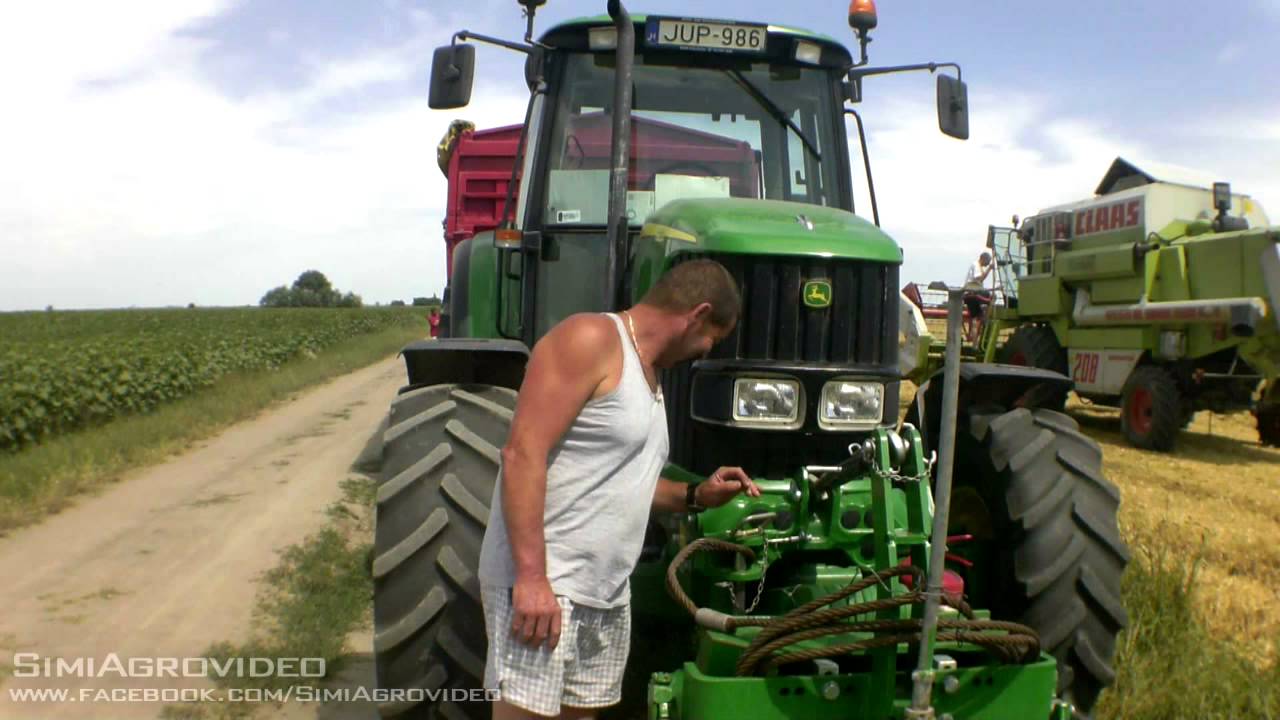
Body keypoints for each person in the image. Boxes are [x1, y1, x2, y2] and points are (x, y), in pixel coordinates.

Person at [478, 259, 758, 720]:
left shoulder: (651, 378)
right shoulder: (592, 339)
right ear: (698, 314)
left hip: (604, 592)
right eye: (712, 339)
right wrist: (531, 579)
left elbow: (624, 485)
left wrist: (696, 496)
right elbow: (522, 454)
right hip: (549, 586)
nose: (704, 352)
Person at [963, 251, 994, 343]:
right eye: (988, 262)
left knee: (975, 318)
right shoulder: (976, 265)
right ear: (983, 259)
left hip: (971, 292)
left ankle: (974, 339)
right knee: (991, 296)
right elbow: (979, 279)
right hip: (973, 293)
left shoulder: (978, 266)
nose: (988, 264)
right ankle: (986, 316)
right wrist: (989, 269)